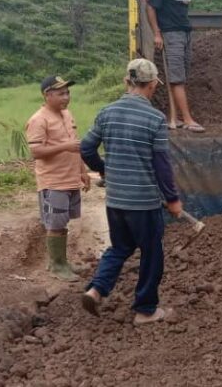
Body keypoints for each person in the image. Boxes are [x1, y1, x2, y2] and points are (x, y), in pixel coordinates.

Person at [80, 58, 182, 325]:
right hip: (144, 203)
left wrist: (103, 170)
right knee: (152, 254)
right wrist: (172, 199)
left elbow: (86, 148)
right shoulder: (155, 118)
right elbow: (161, 164)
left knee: (120, 247)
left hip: (115, 201)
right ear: (152, 85)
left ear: (127, 82)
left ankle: (96, 289)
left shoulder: (106, 112)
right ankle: (146, 310)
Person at [25, 75, 90, 282]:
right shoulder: (38, 119)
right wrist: (65, 147)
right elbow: (36, 151)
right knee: (55, 223)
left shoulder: (67, 114)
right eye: (61, 93)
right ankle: (56, 265)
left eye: (67, 93)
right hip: (53, 181)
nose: (66, 97)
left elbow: (74, 144)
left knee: (63, 221)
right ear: (47, 95)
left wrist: (82, 170)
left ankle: (62, 262)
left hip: (70, 177)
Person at [146, 0, 204, 133]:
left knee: (180, 76)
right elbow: (151, 8)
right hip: (171, 35)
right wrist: (157, 33)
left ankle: (176, 117)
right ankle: (188, 120)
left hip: (185, 34)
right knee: (177, 78)